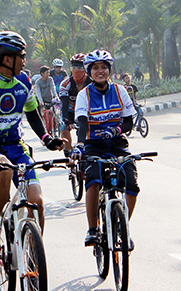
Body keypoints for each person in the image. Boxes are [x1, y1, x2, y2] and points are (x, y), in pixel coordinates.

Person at [0, 31, 65, 250]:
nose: (24, 60)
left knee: (37, 202)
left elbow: (32, 114)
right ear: (7, 59)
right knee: (3, 169)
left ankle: (33, 251)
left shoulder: (23, 80)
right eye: (21, 56)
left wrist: (47, 139)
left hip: (16, 146)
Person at [70, 50, 138, 247]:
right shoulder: (84, 95)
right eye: (95, 68)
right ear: (89, 71)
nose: (100, 71)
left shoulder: (120, 91)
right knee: (93, 181)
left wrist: (116, 130)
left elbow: (128, 122)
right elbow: (82, 123)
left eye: (104, 67)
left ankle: (122, 226)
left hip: (117, 145)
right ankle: (92, 229)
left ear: (109, 69)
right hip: (93, 146)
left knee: (132, 184)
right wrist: (80, 145)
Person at [59, 53, 91, 153]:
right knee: (64, 128)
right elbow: (64, 103)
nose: (76, 70)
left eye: (80, 67)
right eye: (74, 67)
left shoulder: (92, 83)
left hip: (87, 112)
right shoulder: (66, 83)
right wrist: (65, 118)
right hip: (70, 111)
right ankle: (68, 151)